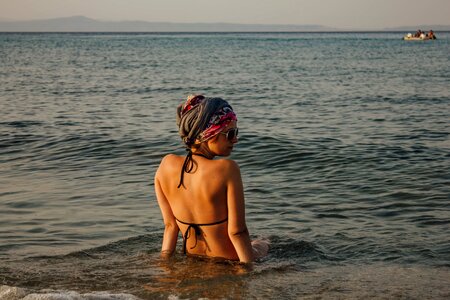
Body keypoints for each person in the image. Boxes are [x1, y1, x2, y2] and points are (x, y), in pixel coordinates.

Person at [154, 95, 269, 263]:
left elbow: (171, 226)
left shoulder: (166, 165)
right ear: (206, 134)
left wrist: (164, 263)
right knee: (264, 242)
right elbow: (237, 232)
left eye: (236, 132)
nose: (235, 139)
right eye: (230, 133)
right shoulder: (227, 169)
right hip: (228, 261)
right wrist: (247, 270)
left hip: (193, 259)